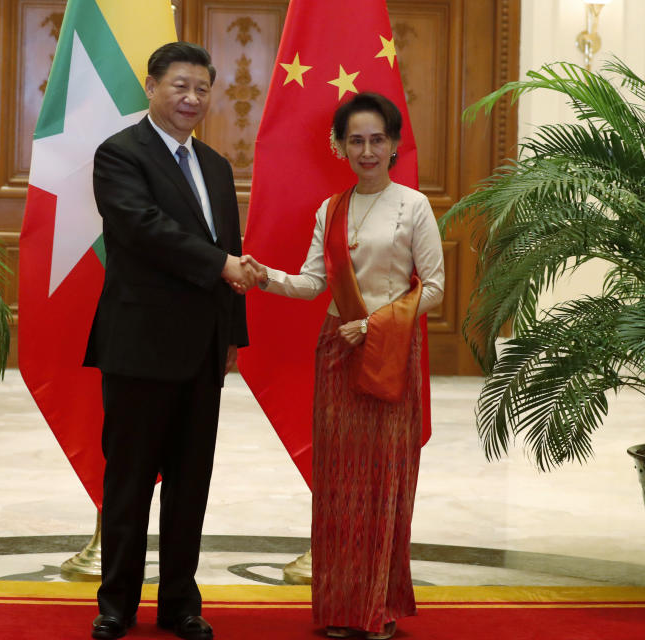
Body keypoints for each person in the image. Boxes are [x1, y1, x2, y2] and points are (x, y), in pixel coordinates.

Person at [243, 93, 444, 640]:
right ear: (340, 147)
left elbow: (437, 288)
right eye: (355, 140)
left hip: (390, 351)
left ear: (395, 144)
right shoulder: (329, 209)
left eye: (377, 139)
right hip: (337, 349)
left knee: (382, 483)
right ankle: (339, 606)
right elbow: (314, 283)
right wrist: (265, 276)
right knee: (338, 484)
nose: (367, 149)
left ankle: (376, 608)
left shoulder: (414, 206)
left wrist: (376, 324)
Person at [83, 41, 257, 640]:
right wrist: (221, 266)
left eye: (203, 88)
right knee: (128, 483)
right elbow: (142, 229)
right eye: (180, 85)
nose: (192, 98)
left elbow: (228, 247)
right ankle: (117, 607)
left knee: (191, 485)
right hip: (139, 344)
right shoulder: (119, 154)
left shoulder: (214, 164)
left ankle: (181, 603)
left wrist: (232, 335)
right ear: (151, 86)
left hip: (202, 349)